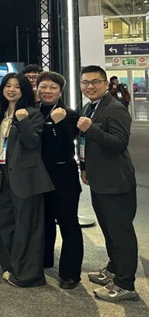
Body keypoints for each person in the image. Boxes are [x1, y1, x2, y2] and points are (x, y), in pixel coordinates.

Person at [78, 65, 138, 302]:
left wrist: (91, 129)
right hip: (99, 180)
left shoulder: (115, 109)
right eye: (85, 83)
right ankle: (114, 269)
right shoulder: (91, 106)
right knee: (109, 230)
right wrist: (84, 167)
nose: (90, 86)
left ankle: (125, 284)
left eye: (95, 82)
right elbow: (85, 141)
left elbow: (119, 143)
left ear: (106, 84)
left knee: (121, 233)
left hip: (116, 182)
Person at [0, 73, 52, 287]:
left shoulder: (32, 114)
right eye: (8, 85)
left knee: (27, 227)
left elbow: (33, 143)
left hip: (26, 178)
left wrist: (23, 121)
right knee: (5, 225)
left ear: (24, 90)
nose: (11, 90)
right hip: (2, 176)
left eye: (17, 86)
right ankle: (10, 267)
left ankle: (27, 275)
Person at [36, 71, 83, 289]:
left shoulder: (70, 114)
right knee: (44, 221)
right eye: (43, 86)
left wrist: (56, 125)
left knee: (68, 223)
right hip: (39, 177)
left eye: (53, 87)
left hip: (64, 177)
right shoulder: (33, 111)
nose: (47, 91)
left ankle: (70, 273)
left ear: (60, 91)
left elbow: (66, 145)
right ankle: (45, 259)